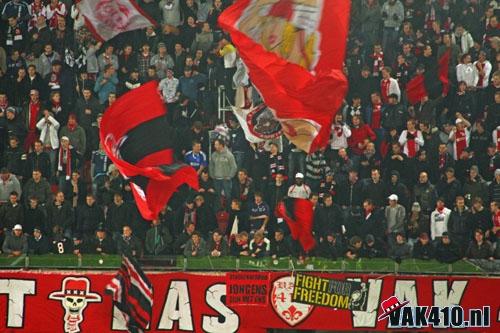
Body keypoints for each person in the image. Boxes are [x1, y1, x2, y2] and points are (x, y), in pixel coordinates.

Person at [209, 139, 237, 211]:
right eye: (215, 144)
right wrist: (212, 175)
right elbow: (211, 166)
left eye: (216, 144)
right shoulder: (214, 155)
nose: (215, 146)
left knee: (228, 196)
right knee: (217, 196)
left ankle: (228, 211)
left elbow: (234, 167)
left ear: (221, 145)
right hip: (216, 180)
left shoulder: (229, 155)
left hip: (226, 180)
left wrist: (230, 176)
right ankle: (217, 212)